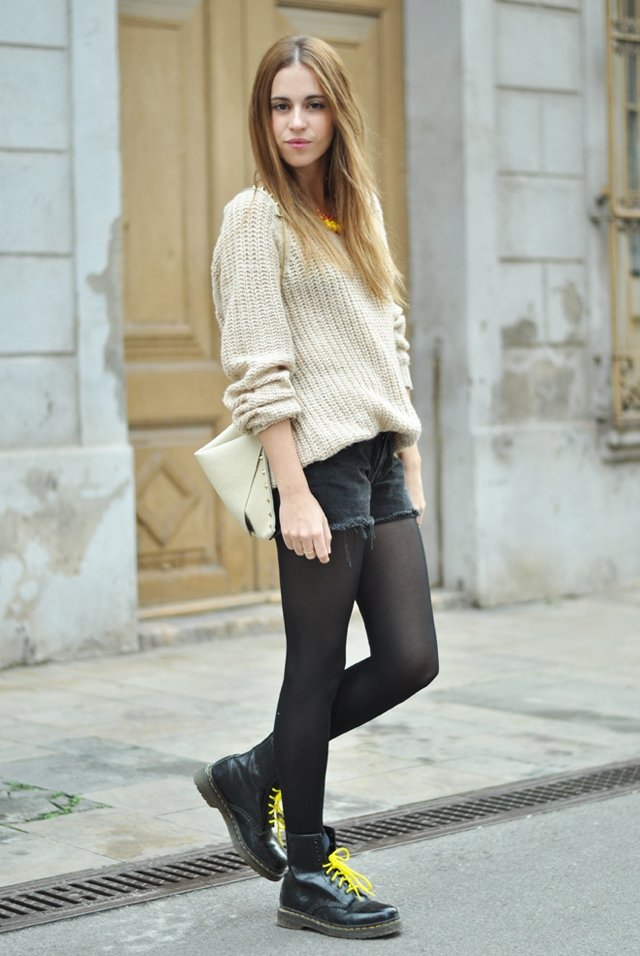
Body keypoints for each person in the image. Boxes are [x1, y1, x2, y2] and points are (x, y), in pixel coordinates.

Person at [193, 34, 439, 940]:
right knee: (316, 665)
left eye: (313, 104)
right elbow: (259, 364)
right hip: (318, 463)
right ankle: (305, 869)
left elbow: (389, 331)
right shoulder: (254, 218)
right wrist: (294, 491)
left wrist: (408, 449)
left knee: (412, 657)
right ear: (263, 117)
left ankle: (256, 771)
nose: (296, 122)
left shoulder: (356, 207)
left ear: (338, 111)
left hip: (377, 458)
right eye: (280, 105)